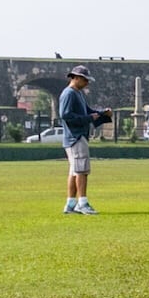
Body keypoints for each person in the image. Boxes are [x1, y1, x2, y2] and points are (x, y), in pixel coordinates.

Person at [59, 65, 110, 215]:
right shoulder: (69, 94)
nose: (87, 83)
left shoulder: (78, 94)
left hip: (77, 135)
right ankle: (82, 202)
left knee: (75, 171)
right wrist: (88, 119)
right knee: (82, 170)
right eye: (85, 80)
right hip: (75, 136)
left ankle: (70, 204)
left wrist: (102, 114)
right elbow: (65, 115)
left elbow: (88, 111)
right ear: (76, 78)